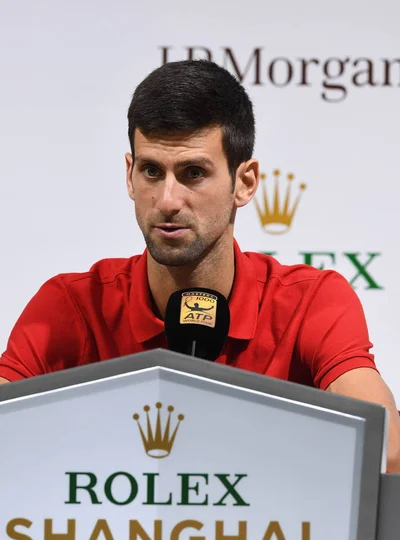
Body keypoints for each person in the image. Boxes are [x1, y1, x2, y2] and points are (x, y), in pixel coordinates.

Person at [1, 60, 399, 470]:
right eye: (151, 171)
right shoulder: (71, 306)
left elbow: (385, 448)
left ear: (244, 183)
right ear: (129, 174)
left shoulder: (311, 302)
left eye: (193, 173)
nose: (168, 200)